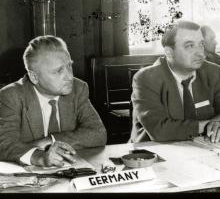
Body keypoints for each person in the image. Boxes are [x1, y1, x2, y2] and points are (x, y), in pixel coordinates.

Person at [0, 35, 107, 167]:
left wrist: (50, 140)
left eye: (69, 66)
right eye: (59, 71)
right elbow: (4, 144)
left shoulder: (78, 89)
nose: (69, 76)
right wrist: (39, 157)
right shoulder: (11, 95)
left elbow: (98, 133)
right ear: (34, 77)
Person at [129, 20, 220, 143]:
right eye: (190, 46)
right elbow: (159, 130)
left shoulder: (214, 72)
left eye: (201, 44)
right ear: (169, 52)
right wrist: (209, 125)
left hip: (204, 148)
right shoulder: (146, 78)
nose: (200, 53)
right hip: (154, 153)